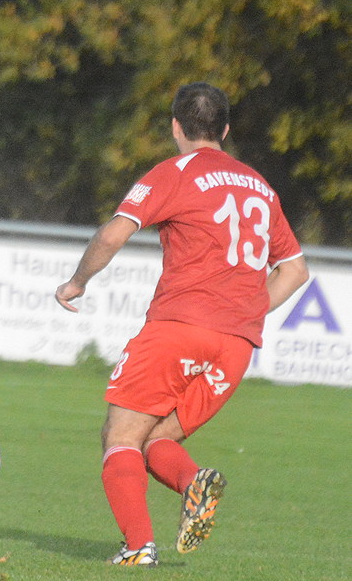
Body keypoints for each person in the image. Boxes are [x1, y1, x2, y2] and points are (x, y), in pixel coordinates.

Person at [55, 82, 309, 567]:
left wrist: (77, 282)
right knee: (157, 440)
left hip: (178, 327)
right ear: (225, 130)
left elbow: (112, 235)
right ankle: (193, 482)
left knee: (120, 437)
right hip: (237, 346)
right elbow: (295, 270)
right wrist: (244, 314)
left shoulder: (174, 173)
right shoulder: (260, 186)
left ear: (176, 126)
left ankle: (138, 548)